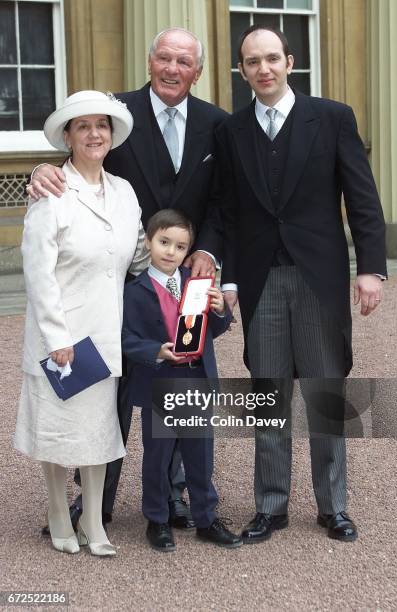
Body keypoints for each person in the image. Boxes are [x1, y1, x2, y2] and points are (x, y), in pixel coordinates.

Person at [27, 27, 228, 531]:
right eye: (164, 57)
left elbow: (228, 203)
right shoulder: (115, 115)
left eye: (184, 61)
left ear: (197, 72)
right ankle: (97, 501)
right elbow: (83, 159)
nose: (172, 68)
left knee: (181, 390)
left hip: (188, 282)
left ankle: (175, 496)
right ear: (150, 60)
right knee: (107, 399)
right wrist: (41, 171)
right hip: (119, 289)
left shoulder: (218, 125)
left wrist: (206, 253)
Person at [217, 26, 387, 543]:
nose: (263, 69)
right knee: (268, 393)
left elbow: (362, 197)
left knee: (324, 392)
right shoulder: (231, 130)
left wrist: (371, 268)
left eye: (272, 59)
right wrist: (226, 276)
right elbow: (225, 212)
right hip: (259, 279)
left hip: (319, 277)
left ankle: (332, 506)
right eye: (252, 62)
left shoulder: (333, 118)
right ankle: (271, 507)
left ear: (289, 62)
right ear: (242, 71)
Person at [14, 90, 146, 556]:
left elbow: (142, 259)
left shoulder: (125, 193)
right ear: (68, 136)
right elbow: (38, 274)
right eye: (83, 126)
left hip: (104, 338)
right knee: (57, 432)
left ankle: (93, 521)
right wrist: (57, 339)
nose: (94, 133)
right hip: (64, 341)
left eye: (102, 125)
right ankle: (56, 513)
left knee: (97, 434)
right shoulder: (51, 194)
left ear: (112, 135)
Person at [121, 208, 241, 551]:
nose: (170, 251)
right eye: (163, 242)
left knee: (200, 454)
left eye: (179, 246)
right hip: (159, 380)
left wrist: (220, 309)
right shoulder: (135, 291)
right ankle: (157, 519)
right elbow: (126, 338)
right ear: (148, 242)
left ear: (187, 251)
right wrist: (156, 350)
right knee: (157, 456)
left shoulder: (196, 286)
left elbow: (211, 332)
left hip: (196, 380)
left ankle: (206, 517)